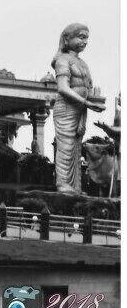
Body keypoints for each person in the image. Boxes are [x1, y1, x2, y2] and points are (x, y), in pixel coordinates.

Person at [51, 23, 105, 194]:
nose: (85, 41)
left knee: (76, 148)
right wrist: (87, 103)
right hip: (66, 109)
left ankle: (75, 186)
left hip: (80, 109)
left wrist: (91, 102)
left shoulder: (82, 63)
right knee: (66, 147)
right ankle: (63, 183)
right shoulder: (62, 60)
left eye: (87, 38)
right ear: (67, 39)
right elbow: (63, 88)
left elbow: (87, 88)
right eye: (81, 37)